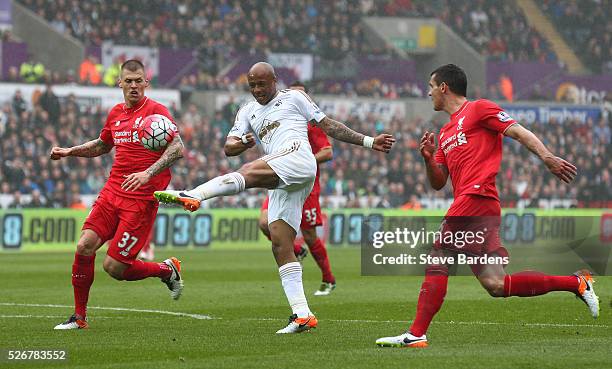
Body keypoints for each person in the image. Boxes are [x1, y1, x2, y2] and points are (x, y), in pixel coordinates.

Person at [155, 62, 395, 334]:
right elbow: (228, 147)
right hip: (286, 180)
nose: (257, 90)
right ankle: (302, 314)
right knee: (280, 243)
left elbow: (329, 125)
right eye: (252, 85)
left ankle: (194, 195)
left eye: (262, 84)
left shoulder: (294, 97)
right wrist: (242, 143)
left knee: (248, 171)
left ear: (274, 81)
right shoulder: (247, 111)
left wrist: (368, 141)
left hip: (298, 157)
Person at [376, 64, 599, 348]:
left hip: (478, 197)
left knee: (439, 252)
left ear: (444, 87)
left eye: (431, 86)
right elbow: (438, 182)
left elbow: (518, 132)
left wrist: (547, 157)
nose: (428, 92)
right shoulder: (444, 132)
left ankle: (417, 333)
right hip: (472, 204)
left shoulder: (480, 109)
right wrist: (428, 158)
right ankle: (577, 283)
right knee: (496, 285)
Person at [50, 59, 185, 330]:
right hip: (112, 191)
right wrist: (70, 151)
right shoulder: (115, 113)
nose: (134, 86)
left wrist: (149, 173)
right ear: (119, 83)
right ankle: (79, 317)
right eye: (129, 81)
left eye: (139, 81)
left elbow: (177, 148)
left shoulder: (157, 112)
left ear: (146, 83)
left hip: (141, 200)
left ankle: (166, 270)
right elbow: (102, 144)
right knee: (84, 245)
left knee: (115, 268)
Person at [258, 81, 337, 296]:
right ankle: (296, 251)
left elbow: (328, 152)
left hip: (305, 185)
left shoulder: (312, 124)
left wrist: (301, 160)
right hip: (280, 181)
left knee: (310, 235)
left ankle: (328, 279)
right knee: (264, 223)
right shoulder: (280, 121)